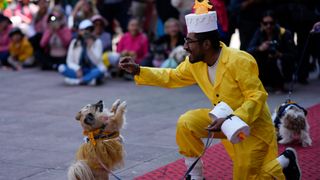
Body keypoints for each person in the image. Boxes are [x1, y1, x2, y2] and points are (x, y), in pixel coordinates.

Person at [119, 6, 301, 180]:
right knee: (186, 123)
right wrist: (138, 70)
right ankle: (195, 175)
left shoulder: (239, 61)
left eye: (189, 41)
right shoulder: (194, 63)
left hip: (252, 128)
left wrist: (231, 119)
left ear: (206, 44)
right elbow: (172, 76)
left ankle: (285, 161)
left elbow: (257, 96)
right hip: (223, 122)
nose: (185, 47)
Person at [247, 10, 296, 93]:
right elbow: (248, 50)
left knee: (277, 61)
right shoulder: (259, 32)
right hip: (265, 65)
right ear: (261, 24)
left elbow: (294, 55)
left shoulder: (284, 33)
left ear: (275, 23)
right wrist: (260, 48)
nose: (268, 26)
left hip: (280, 64)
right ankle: (261, 84)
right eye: (265, 23)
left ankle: (280, 84)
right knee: (254, 58)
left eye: (271, 23)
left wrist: (279, 54)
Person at [58, 19, 106, 85]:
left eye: (88, 30)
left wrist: (90, 48)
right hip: (79, 70)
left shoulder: (97, 42)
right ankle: (89, 80)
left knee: (101, 70)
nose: (86, 32)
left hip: (92, 69)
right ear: (79, 32)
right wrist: (77, 69)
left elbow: (97, 62)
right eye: (84, 30)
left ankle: (78, 81)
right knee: (61, 68)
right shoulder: (75, 42)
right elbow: (69, 61)